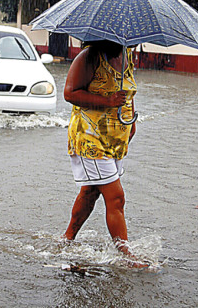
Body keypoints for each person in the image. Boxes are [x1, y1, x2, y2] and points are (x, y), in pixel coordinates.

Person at [63, 39, 139, 260]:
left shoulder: (126, 55)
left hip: (114, 138)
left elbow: (128, 92)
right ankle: (126, 256)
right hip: (90, 137)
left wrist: (131, 120)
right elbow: (70, 93)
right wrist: (107, 101)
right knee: (116, 197)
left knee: (91, 191)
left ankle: (67, 239)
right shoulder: (88, 57)